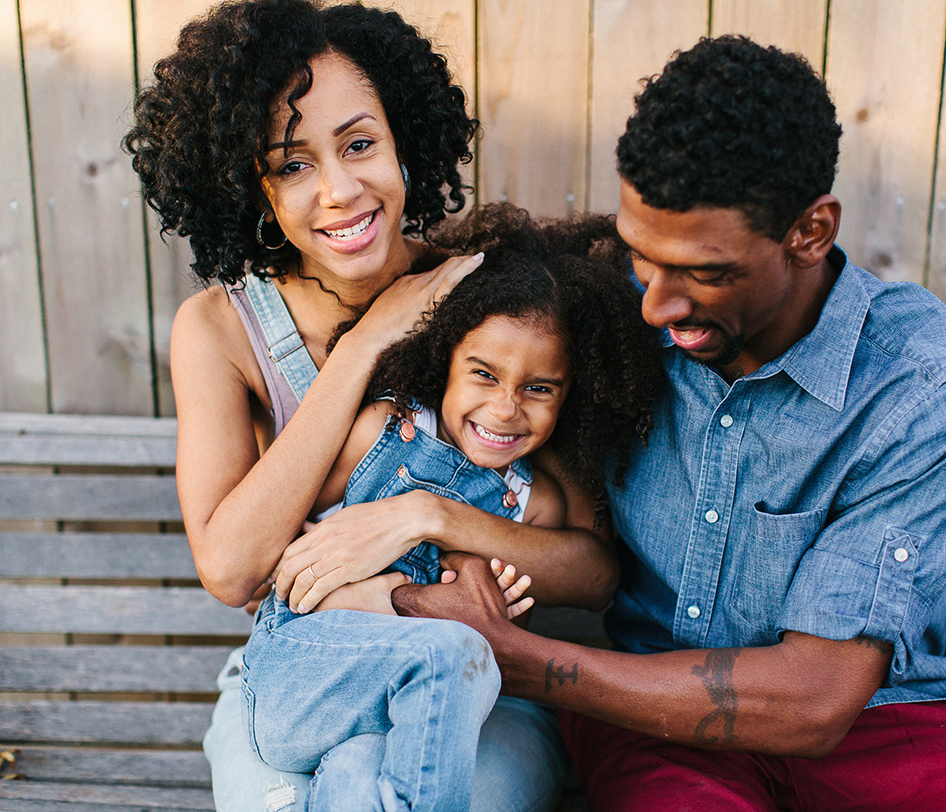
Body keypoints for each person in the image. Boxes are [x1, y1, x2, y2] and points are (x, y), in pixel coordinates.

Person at [392, 36, 946, 811]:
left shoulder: (935, 387)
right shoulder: (602, 310)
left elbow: (815, 699)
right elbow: (466, 419)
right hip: (650, 717)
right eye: (643, 255)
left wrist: (514, 656)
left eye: (705, 274)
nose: (654, 306)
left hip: (883, 725)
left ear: (810, 232)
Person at [124, 2, 616, 810]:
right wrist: (364, 347)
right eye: (292, 164)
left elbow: (593, 571)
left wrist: (428, 515)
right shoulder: (220, 330)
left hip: (482, 677)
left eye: (359, 144)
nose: (339, 190)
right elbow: (233, 565)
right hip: (305, 673)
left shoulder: (488, 300)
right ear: (251, 186)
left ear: (404, 142)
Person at [243, 206, 660, 812]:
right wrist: (389, 601)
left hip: (404, 727)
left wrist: (444, 531)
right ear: (445, 362)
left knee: (359, 778)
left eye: (539, 388)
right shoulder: (381, 435)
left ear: (573, 394)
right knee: (455, 650)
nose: (506, 408)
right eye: (483, 375)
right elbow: (269, 562)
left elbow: (595, 574)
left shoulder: (530, 498)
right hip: (305, 677)